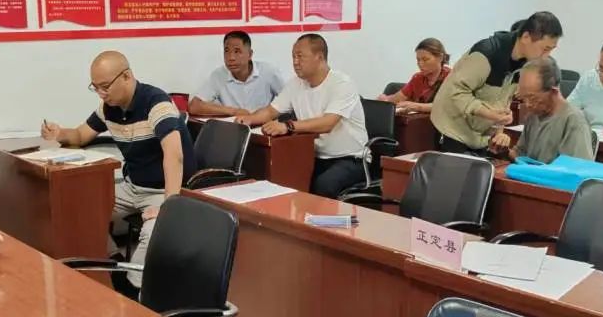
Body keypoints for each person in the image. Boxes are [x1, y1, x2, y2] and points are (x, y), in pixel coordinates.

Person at [41, 51, 195, 292]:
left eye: (105, 87)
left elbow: (174, 155)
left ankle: (133, 292)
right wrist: (60, 133)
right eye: (95, 88)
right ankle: (114, 264)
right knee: (79, 212)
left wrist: (169, 205)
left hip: (164, 189)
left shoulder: (157, 103)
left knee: (154, 234)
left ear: (126, 76)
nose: (101, 94)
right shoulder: (108, 108)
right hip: (132, 187)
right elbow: (80, 135)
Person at [236, 34, 368, 198]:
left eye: (300, 56)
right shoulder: (296, 84)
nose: (295, 62)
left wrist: (288, 126)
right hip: (313, 155)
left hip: (350, 159)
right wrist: (249, 119)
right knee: (283, 177)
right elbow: (270, 111)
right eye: (293, 57)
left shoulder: (342, 84)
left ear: (319, 57)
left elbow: (327, 123)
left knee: (323, 185)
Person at [430, 11, 563, 153]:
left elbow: (503, 100)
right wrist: (490, 114)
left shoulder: (524, 63)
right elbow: (456, 92)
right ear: (526, 37)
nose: (546, 56)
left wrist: (500, 126)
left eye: (551, 50)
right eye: (545, 49)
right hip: (452, 129)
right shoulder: (486, 54)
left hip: (478, 136)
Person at [490, 58, 594, 162]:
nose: (528, 104)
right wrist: (503, 151)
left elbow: (578, 168)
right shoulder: (534, 115)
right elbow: (520, 156)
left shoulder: (574, 121)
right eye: (523, 98)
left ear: (553, 91)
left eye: (532, 98)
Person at [188, 31, 286, 117]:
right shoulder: (219, 75)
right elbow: (194, 106)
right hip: (234, 127)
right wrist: (233, 111)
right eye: (227, 51)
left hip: (264, 126)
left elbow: (289, 102)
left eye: (237, 51)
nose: (231, 58)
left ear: (250, 54)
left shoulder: (268, 72)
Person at [377, 38, 450, 114]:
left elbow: (447, 106)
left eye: (425, 59)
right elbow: (397, 98)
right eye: (418, 60)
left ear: (440, 58)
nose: (420, 64)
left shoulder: (451, 78)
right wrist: (385, 99)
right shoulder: (417, 78)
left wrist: (416, 106)